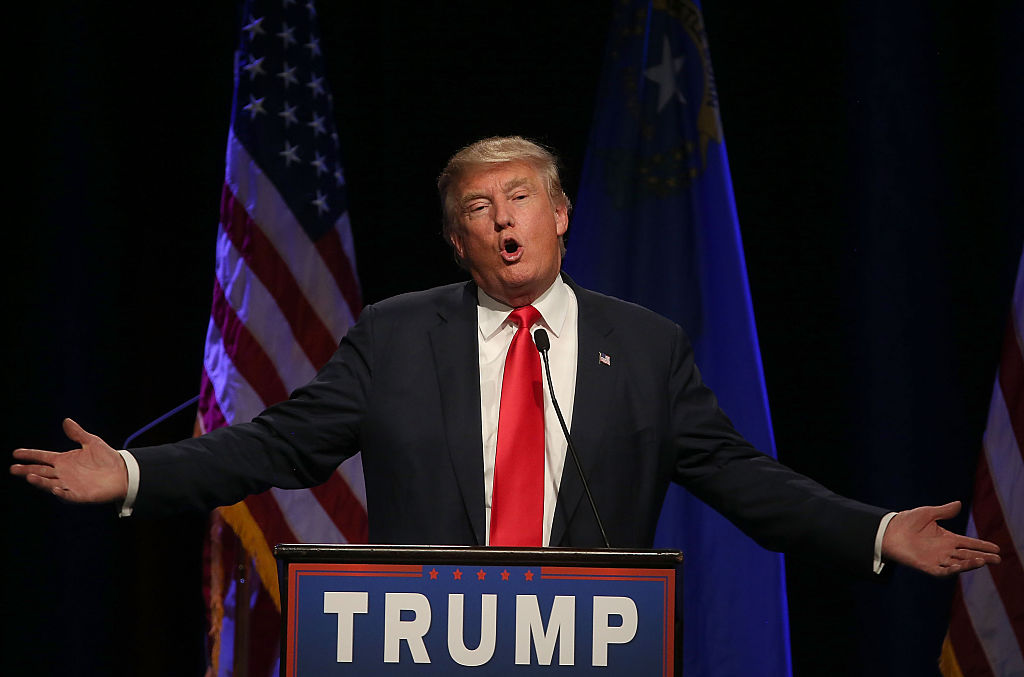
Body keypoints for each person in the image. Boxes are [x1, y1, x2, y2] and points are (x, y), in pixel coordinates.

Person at [11, 136, 1000, 577]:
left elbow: (743, 479)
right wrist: (135, 470)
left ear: (560, 215)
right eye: (476, 209)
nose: (501, 218)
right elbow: (273, 445)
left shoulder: (643, 348)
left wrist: (873, 533)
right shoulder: (397, 338)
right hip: (424, 648)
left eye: (519, 197)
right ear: (458, 242)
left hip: (591, 647)